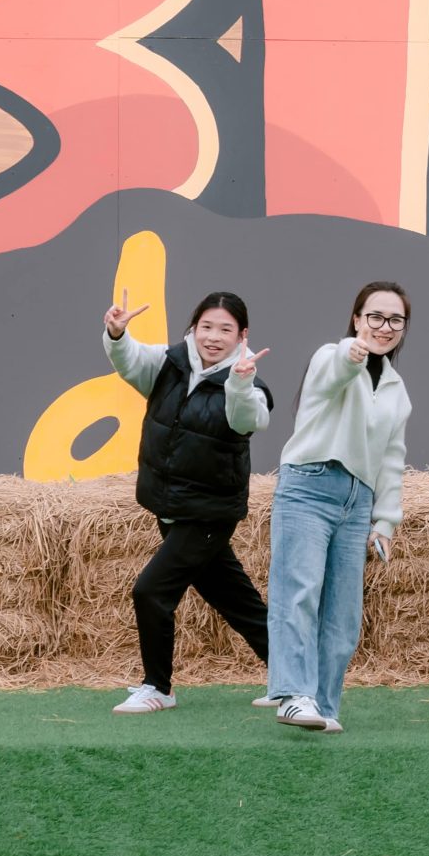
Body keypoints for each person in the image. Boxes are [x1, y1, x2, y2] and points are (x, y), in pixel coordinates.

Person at [102, 288, 273, 714]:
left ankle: (158, 687)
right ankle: (295, 677)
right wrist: (117, 334)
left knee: (150, 591)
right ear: (193, 328)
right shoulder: (169, 362)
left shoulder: (248, 383)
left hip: (209, 514)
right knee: (236, 600)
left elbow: (248, 420)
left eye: (225, 330)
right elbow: (130, 361)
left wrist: (240, 382)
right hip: (170, 507)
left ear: (242, 335)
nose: (213, 337)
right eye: (206, 327)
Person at [266, 281, 412, 734]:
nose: (384, 327)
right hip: (309, 486)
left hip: (357, 500)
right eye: (375, 316)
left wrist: (385, 521)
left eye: (395, 320)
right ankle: (294, 695)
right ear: (356, 318)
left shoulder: (397, 390)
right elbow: (334, 371)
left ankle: (325, 705)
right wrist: (352, 353)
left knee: (344, 615)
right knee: (299, 592)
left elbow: (392, 459)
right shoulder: (332, 355)